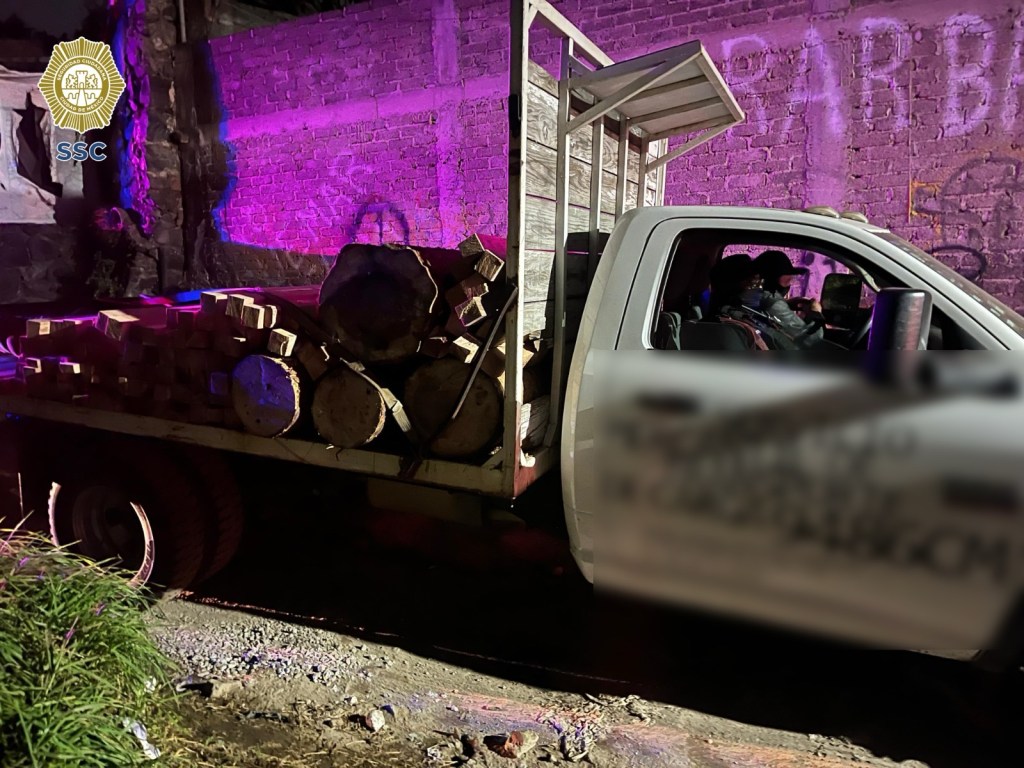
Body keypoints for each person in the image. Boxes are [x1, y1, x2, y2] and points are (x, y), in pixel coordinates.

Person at [752, 250, 825, 349]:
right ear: (773, 277)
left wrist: (786, 303)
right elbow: (812, 339)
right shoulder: (772, 303)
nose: (790, 280)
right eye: (787, 275)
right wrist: (816, 313)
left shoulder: (758, 296)